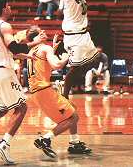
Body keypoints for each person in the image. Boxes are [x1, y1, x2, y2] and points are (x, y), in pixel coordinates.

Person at [0, 0, 46, 165]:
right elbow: (14, 48)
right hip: (3, 71)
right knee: (22, 107)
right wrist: (35, 43)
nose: (10, 8)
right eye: (8, 6)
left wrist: (26, 55)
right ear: (3, 9)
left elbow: (8, 51)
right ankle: (4, 143)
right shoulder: (4, 26)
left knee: (2, 109)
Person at [27, 27, 92, 158]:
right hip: (44, 90)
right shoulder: (46, 48)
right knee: (73, 117)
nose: (44, 32)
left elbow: (43, 62)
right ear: (35, 38)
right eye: (40, 32)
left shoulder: (32, 50)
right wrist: (66, 58)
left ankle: (75, 143)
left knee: (71, 109)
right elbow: (56, 65)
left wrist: (53, 48)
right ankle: (45, 139)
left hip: (36, 92)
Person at [59, 0, 114, 99]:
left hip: (84, 35)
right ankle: (64, 94)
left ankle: (66, 68)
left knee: (96, 59)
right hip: (73, 35)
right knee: (75, 67)